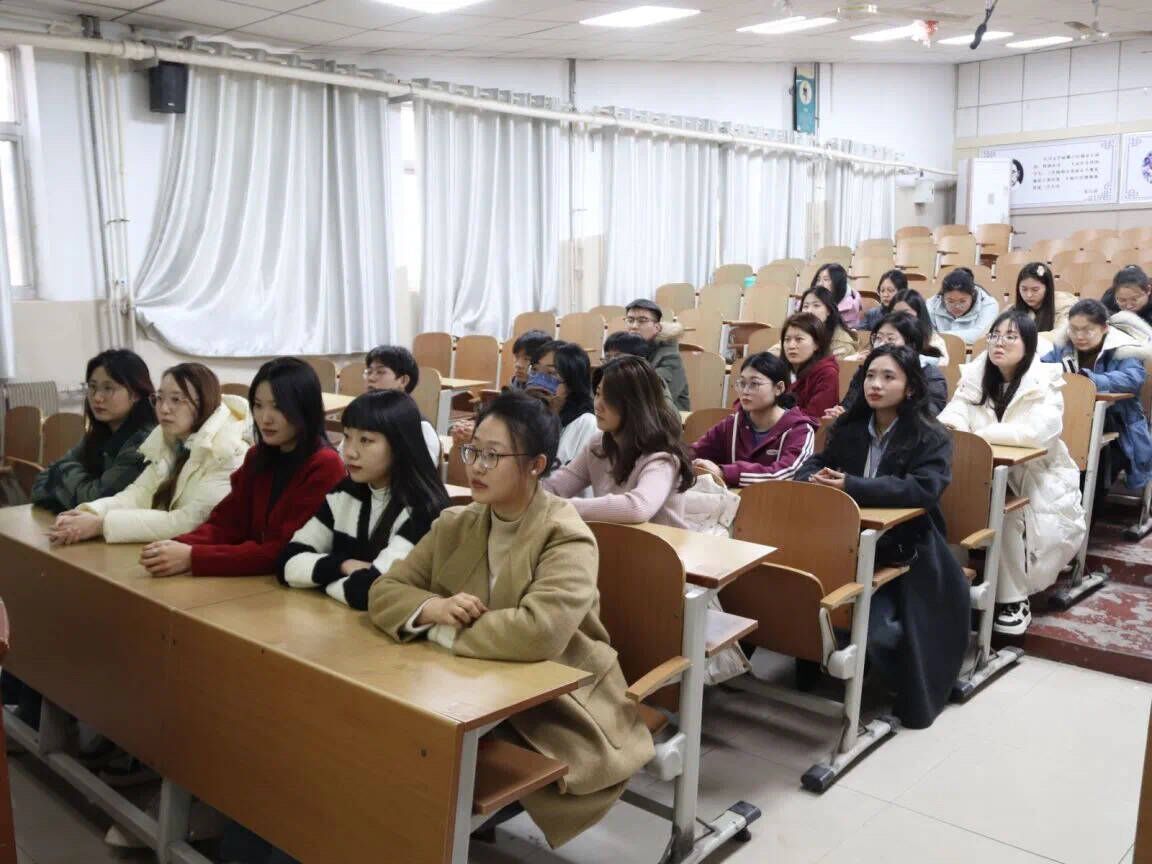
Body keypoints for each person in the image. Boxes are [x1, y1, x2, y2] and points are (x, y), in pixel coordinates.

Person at [368, 392, 654, 848]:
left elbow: (538, 633)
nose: (476, 467)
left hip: (555, 698)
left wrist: (438, 628)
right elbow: (384, 592)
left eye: (493, 455)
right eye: (472, 451)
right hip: (472, 684)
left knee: (414, 756)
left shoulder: (565, 535)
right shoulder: (455, 523)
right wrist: (431, 607)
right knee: (376, 734)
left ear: (536, 465)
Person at [795, 345, 969, 729]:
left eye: (888, 377)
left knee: (882, 630)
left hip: (907, 547)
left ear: (910, 387)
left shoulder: (931, 435)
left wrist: (852, 486)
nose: (875, 384)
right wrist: (811, 477)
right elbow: (819, 462)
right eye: (870, 376)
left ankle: (900, 680)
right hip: (845, 541)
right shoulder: (850, 427)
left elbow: (923, 488)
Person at [939, 312, 1086, 634]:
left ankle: (1013, 599)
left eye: (1010, 336)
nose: (999, 343)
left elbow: (1037, 433)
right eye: (994, 335)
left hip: (1036, 475)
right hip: (980, 470)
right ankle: (950, 584)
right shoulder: (976, 376)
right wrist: (955, 428)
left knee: (1005, 511)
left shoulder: (1045, 382)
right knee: (948, 501)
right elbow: (954, 414)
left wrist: (978, 437)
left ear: (1028, 344)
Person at [139, 357, 347, 578]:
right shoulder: (258, 456)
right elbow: (226, 523)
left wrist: (193, 556)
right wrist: (174, 547)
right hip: (253, 577)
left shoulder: (324, 465)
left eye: (278, 407)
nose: (265, 418)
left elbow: (285, 550)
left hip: (292, 583)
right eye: (258, 405)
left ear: (304, 407)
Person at [279, 390, 448, 610]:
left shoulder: (424, 510)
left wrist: (319, 578)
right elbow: (287, 561)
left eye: (365, 440)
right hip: (339, 617)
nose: (349, 452)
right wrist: (343, 565)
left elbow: (373, 591)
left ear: (399, 444)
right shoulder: (345, 492)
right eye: (347, 437)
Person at [47, 363, 250, 545]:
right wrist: (87, 513)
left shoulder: (229, 451)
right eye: (159, 398)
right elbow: (138, 495)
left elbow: (191, 521)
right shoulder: (168, 441)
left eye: (176, 400)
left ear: (204, 402)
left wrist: (101, 525)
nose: (164, 408)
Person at [542, 356, 693, 527]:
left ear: (635, 404)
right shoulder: (598, 445)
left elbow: (637, 508)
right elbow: (556, 486)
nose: (598, 404)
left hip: (660, 543)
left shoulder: (663, 457)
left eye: (610, 398)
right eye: (598, 393)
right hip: (614, 540)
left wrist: (563, 507)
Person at [1042, 299, 1152, 501]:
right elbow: (1042, 368)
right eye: (1074, 329)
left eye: (1087, 330)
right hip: (1068, 419)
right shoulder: (1063, 347)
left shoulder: (1123, 348)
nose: (1079, 336)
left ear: (1104, 328)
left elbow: (1134, 378)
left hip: (1116, 426)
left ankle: (1087, 510)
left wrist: (1091, 380)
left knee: (1097, 460)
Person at [30, 349, 155, 513]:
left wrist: (60, 473)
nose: (97, 397)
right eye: (92, 387)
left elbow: (96, 500)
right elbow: (38, 486)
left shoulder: (143, 442)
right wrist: (76, 486)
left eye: (108, 388)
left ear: (136, 394)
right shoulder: (101, 433)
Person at [691, 351, 816, 487]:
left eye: (754, 384)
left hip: (776, 500)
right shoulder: (731, 424)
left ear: (779, 388)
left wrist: (724, 473)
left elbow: (788, 473)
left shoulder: (800, 430)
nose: (745, 391)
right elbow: (693, 452)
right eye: (742, 383)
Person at [835, 312, 948, 416]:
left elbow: (929, 415)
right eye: (878, 338)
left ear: (911, 344)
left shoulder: (931, 375)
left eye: (890, 339)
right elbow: (849, 405)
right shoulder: (867, 369)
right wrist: (841, 413)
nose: (881, 344)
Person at [362, 344, 441, 464]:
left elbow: (421, 473)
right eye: (369, 372)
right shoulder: (363, 418)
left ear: (403, 381)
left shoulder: (421, 428)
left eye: (380, 372)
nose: (371, 378)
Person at [524, 340, 598, 467]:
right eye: (535, 370)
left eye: (551, 373)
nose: (539, 381)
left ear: (572, 382)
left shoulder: (587, 424)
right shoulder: (524, 419)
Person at [624, 298, 690, 410]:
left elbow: (655, 397)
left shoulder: (671, 358)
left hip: (666, 417)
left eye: (642, 321)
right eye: (630, 320)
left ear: (657, 327)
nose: (634, 326)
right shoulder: (626, 351)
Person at [777, 313, 839, 421]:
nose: (791, 346)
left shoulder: (827, 373)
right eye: (787, 340)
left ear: (817, 344)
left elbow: (815, 417)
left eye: (799, 339)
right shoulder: (780, 370)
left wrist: (774, 414)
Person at [602, 331, 678, 414]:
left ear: (640, 360)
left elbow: (669, 416)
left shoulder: (652, 382)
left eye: (618, 356)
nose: (611, 362)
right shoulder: (605, 381)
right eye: (607, 357)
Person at [926, 267, 1000, 344]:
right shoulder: (932, 304)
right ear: (942, 297)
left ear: (973, 295)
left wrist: (939, 336)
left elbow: (981, 335)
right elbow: (925, 334)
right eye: (950, 301)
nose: (957, 306)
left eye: (962, 301)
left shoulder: (989, 304)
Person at [892, 287, 951, 363]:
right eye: (894, 313)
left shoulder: (934, 342)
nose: (899, 317)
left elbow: (942, 367)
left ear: (919, 314)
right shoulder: (884, 338)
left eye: (905, 313)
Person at [796, 286, 857, 359]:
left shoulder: (841, 344)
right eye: (805, 306)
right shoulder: (796, 332)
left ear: (828, 310)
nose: (809, 311)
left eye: (816, 305)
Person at [1013, 262, 1074, 333]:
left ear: (1047, 288)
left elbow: (1060, 334)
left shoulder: (1064, 305)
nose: (1029, 295)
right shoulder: (1013, 310)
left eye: (1035, 290)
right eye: (1024, 289)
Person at [811, 262, 862, 329]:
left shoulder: (850, 309)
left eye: (826, 279)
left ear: (838, 283)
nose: (820, 284)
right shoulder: (807, 301)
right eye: (818, 280)